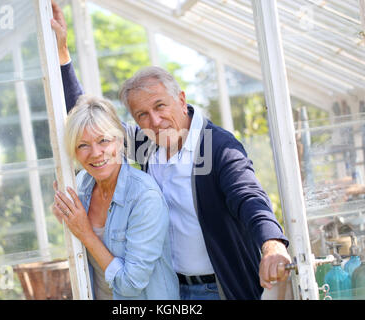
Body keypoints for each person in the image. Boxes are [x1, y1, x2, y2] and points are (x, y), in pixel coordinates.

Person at [51, 0, 292, 300]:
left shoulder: (217, 147)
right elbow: (90, 124)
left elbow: (249, 198)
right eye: (141, 115)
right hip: (172, 291)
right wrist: (62, 54)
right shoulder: (147, 143)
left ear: (180, 98)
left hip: (219, 288)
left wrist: (272, 243)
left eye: (160, 106)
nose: (154, 120)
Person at [52, 94, 179, 300]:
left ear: (119, 141)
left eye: (103, 140)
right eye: (83, 145)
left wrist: (86, 233)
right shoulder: (82, 186)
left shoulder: (144, 197)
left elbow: (131, 285)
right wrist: (64, 215)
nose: (95, 153)